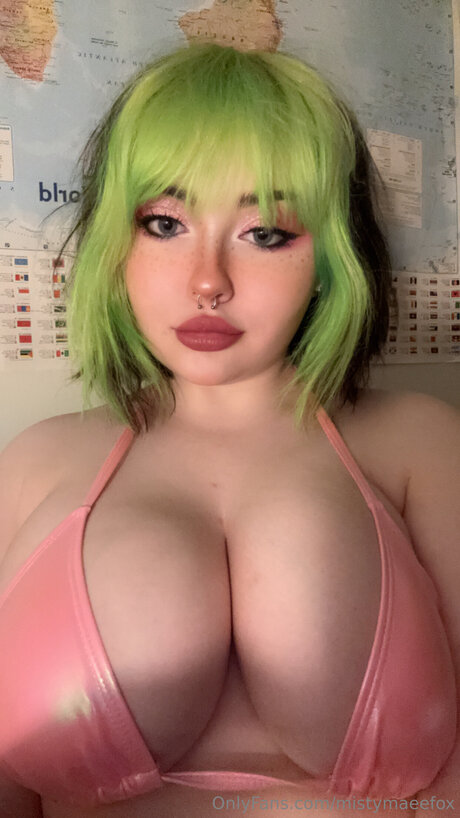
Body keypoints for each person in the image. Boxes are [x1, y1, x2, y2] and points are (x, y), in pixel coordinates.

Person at [0, 43, 458, 818]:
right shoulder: (34, 463)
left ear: (332, 257)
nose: (208, 281)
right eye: (164, 223)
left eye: (266, 233)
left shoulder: (423, 445)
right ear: (114, 245)